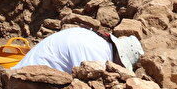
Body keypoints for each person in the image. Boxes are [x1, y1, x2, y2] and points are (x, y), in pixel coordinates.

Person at [15, 27, 144, 75]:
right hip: (26, 77)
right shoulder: (97, 56)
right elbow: (84, 83)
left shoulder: (98, 43)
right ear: (120, 58)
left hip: (28, 68)